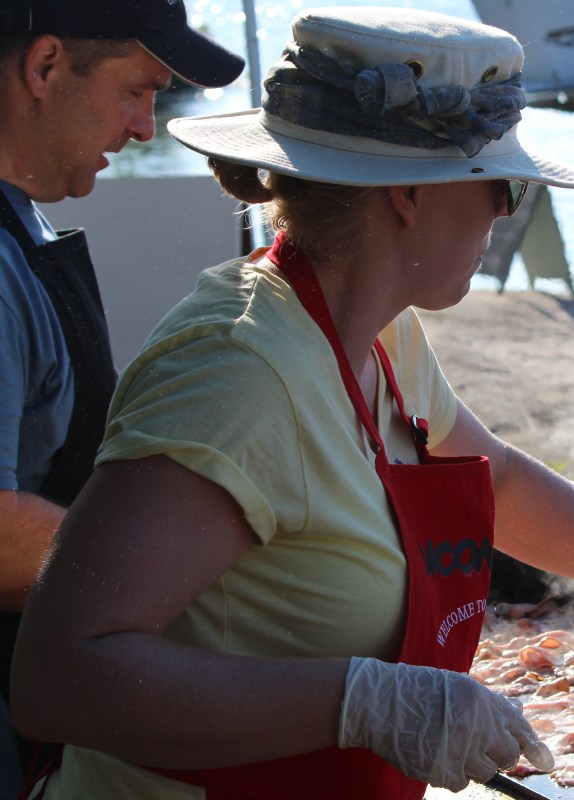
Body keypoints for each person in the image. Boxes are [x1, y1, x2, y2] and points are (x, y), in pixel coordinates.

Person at [10, 9, 574, 799]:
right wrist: (364, 702)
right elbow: (60, 677)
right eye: (503, 187)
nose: (506, 212)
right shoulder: (234, 375)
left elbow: (498, 482)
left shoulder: (376, 332)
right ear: (406, 195)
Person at [0, 0, 243, 791]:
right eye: (137, 91)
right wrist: (220, 577)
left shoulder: (19, 229)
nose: (145, 127)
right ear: (43, 67)